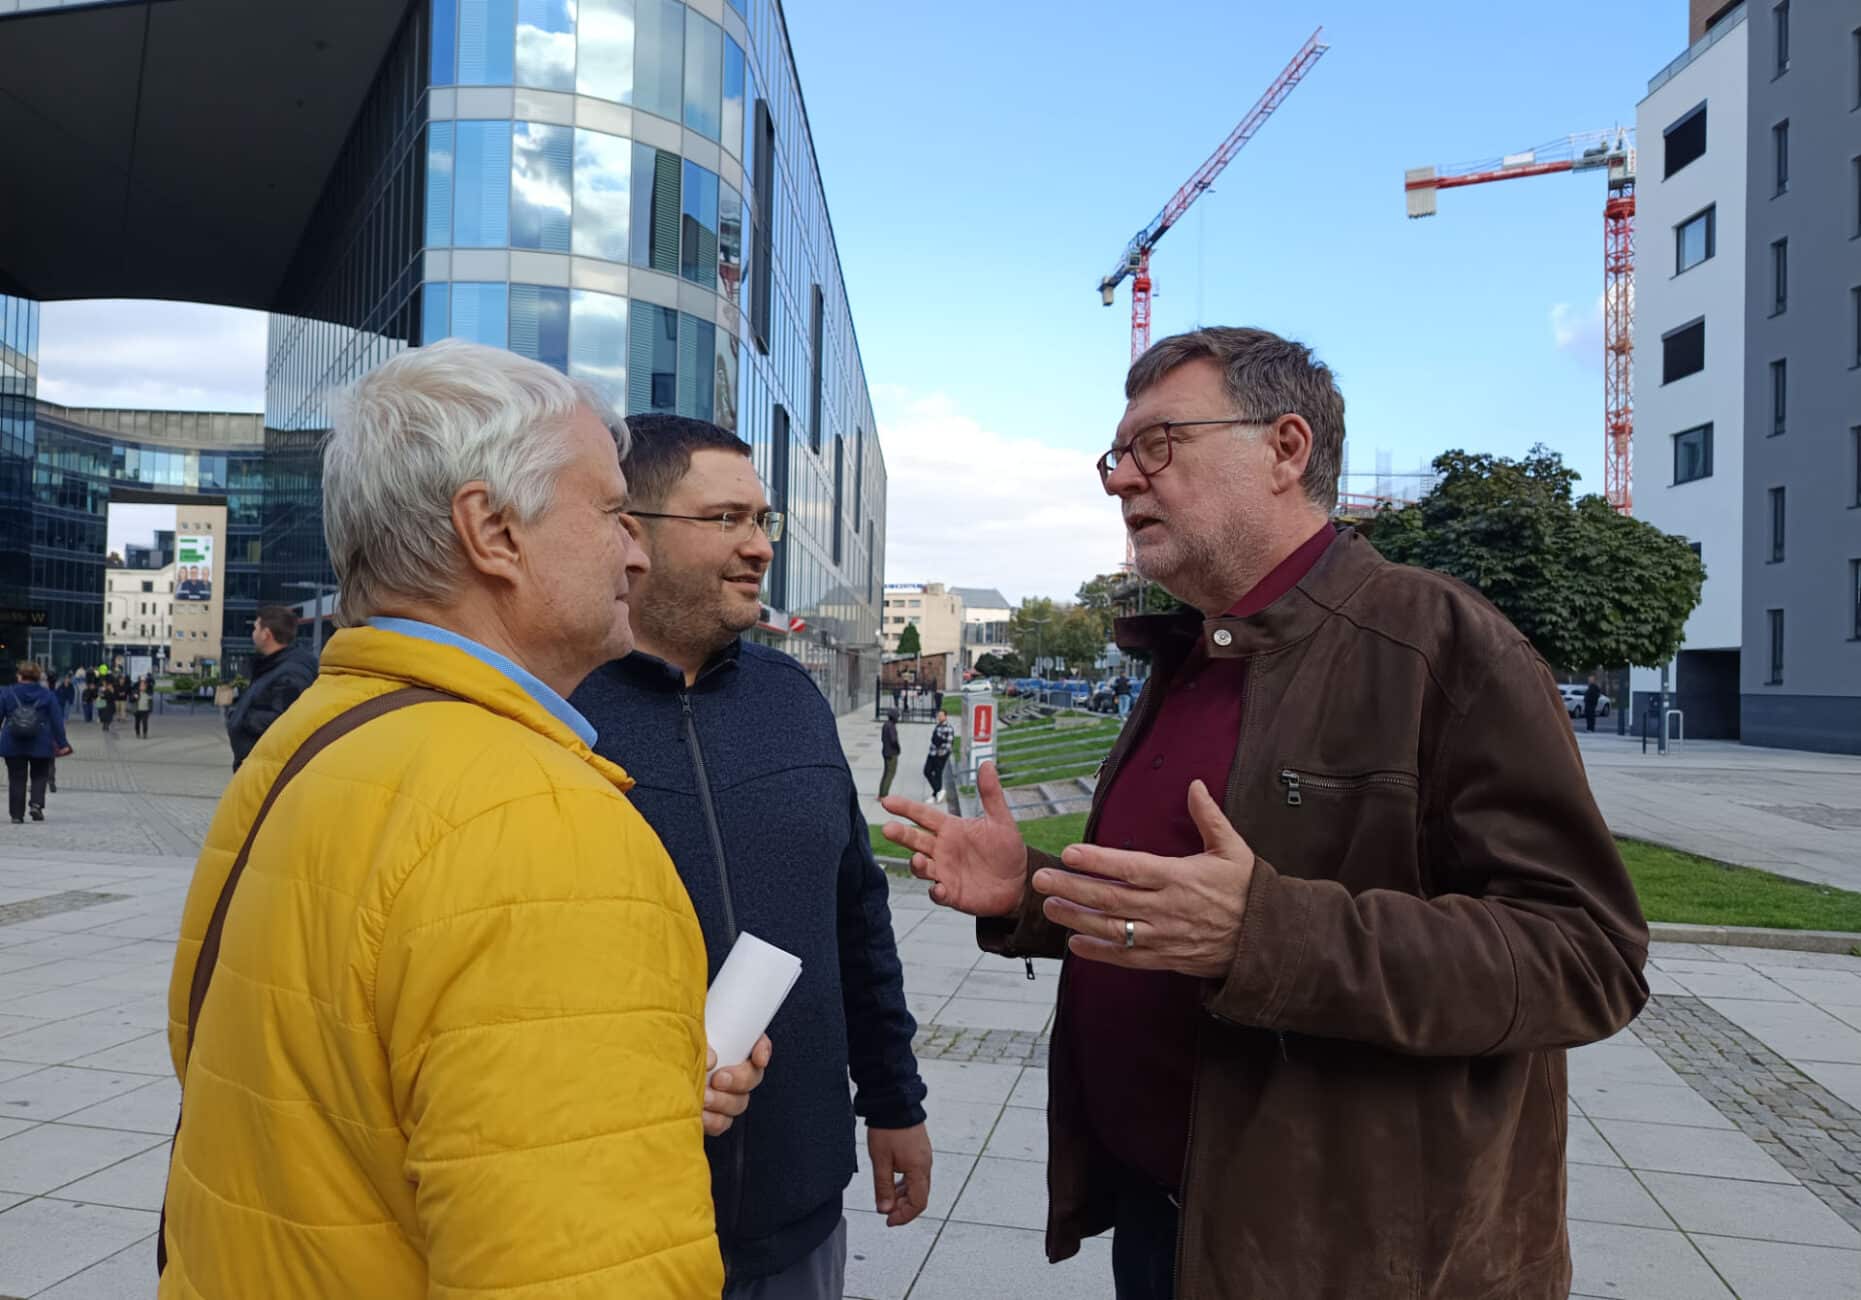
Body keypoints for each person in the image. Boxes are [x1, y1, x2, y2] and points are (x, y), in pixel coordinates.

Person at [882, 326, 1649, 1300]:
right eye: (1115, 455)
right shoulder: (1190, 659)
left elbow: (1586, 957)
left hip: (1350, 1260)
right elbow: (1179, 905)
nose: (1120, 479)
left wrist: (1266, 930)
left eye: (1157, 444)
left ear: (1285, 448)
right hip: (1170, 1225)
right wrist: (1029, 889)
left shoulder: (1441, 646)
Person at [160, 341, 736, 1298]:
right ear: (493, 531)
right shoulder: (536, 821)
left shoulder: (311, 735)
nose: (637, 549)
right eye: (610, 513)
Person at [571, 415, 929, 1299]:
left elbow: (856, 917)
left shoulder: (791, 697)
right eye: (725, 519)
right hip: (609, 1217)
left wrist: (893, 1102)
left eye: (762, 520)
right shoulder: (554, 708)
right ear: (630, 533)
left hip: (795, 1213)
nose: (759, 546)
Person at [223, 606, 317, 771]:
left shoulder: (291, 673)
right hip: (258, 766)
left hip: (269, 771)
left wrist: (243, 718)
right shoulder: (273, 666)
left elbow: (285, 722)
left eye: (255, 628)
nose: (253, 633)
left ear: (266, 634)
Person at [1, 662, 72, 824]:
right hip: (40, 742)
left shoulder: (7, 693)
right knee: (40, 775)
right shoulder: (47, 695)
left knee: (16, 778)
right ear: (38, 677)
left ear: (19, 675)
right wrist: (62, 743)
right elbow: (56, 721)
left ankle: (17, 815)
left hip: (13, 742)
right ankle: (36, 804)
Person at [922, 709, 954, 801]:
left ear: (945, 716)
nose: (939, 717)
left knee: (938, 773)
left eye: (941, 715)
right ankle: (939, 790)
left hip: (940, 755)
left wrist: (941, 753)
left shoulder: (948, 728)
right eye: (938, 715)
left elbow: (949, 743)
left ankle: (936, 794)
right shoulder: (938, 726)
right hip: (932, 753)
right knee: (927, 771)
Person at [879, 708, 902, 799]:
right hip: (891, 753)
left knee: (886, 773)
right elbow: (893, 740)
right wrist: (898, 748)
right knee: (890, 774)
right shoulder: (891, 726)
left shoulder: (885, 725)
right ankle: (884, 794)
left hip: (885, 751)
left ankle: (881, 793)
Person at [133, 673, 155, 738]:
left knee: (145, 723)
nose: (142, 687)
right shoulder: (136, 692)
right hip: (138, 710)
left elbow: (151, 702)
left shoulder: (148, 693)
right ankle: (138, 733)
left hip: (145, 710)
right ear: (139, 686)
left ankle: (145, 734)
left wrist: (150, 709)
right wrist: (134, 697)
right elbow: (131, 700)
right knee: (137, 723)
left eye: (144, 685)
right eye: (141, 685)